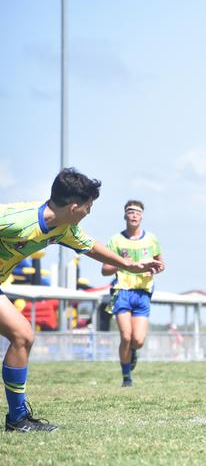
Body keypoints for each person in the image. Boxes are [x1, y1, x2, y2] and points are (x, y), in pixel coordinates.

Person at [0, 168, 163, 432]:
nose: (89, 212)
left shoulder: (63, 228)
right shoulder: (18, 219)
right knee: (23, 336)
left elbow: (92, 246)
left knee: (23, 336)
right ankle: (17, 418)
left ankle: (17, 419)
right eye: (88, 207)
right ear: (75, 207)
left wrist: (129, 265)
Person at [101, 200, 164, 387]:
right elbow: (105, 270)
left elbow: (161, 264)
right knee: (126, 336)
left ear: (142, 216)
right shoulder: (116, 241)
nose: (134, 214)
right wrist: (121, 262)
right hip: (122, 291)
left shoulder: (151, 239)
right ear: (125, 216)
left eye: (138, 212)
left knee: (137, 340)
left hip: (142, 292)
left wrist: (154, 269)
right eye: (130, 211)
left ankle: (133, 353)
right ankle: (126, 377)